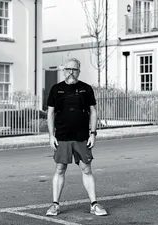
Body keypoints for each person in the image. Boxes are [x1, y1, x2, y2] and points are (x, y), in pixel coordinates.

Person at [46, 58, 108, 216]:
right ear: (64, 70)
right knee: (60, 169)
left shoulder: (86, 89)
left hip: (82, 137)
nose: (71, 72)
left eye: (74, 70)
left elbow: (93, 111)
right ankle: (55, 205)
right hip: (62, 137)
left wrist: (93, 133)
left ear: (79, 71)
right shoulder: (56, 89)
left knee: (86, 169)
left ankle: (94, 204)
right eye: (68, 69)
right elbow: (50, 113)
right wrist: (51, 135)